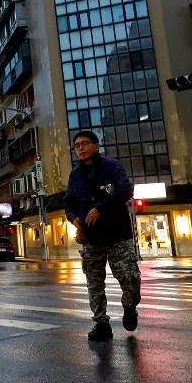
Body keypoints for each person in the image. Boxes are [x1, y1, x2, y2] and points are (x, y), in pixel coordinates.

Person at [64, 130, 141, 342]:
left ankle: (129, 306)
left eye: (85, 143)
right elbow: (69, 203)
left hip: (118, 235)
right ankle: (101, 323)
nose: (80, 148)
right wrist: (75, 220)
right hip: (92, 240)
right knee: (94, 284)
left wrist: (99, 208)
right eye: (77, 145)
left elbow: (125, 189)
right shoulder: (75, 175)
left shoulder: (111, 166)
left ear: (96, 146)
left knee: (131, 279)